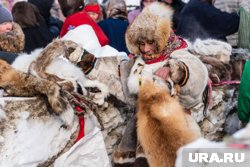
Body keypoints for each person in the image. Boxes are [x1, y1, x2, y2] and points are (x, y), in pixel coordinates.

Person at [114, 2, 208, 166]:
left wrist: (175, 70)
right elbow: (116, 71)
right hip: (138, 131)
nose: (145, 49)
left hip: (172, 127)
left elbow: (197, 74)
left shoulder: (178, 53)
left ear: (160, 39)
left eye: (150, 43)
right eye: (141, 44)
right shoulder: (138, 62)